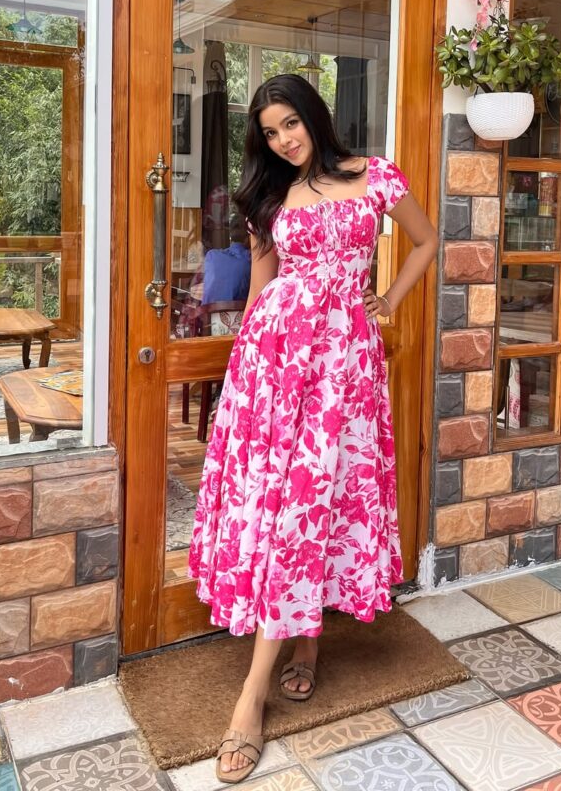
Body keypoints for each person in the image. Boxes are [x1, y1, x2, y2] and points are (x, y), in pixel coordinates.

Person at [187, 74, 438, 784]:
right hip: (275, 360)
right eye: (269, 132)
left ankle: (301, 652)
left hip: (344, 365)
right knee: (283, 508)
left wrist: (385, 301)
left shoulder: (375, 177)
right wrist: (246, 375)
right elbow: (263, 286)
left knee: (323, 499)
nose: (283, 139)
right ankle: (257, 692)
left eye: (290, 123)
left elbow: (425, 241)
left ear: (315, 117)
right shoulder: (272, 196)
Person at [201, 213, 251, 305]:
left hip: (209, 317)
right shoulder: (250, 261)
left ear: (230, 237)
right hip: (239, 317)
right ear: (249, 238)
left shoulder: (211, 256)